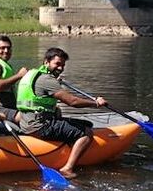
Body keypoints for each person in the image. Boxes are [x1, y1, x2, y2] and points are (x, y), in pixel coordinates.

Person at [16, 47, 107, 179]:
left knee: (82, 122)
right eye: (57, 64)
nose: (60, 68)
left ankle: (69, 148)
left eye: (63, 65)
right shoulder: (47, 80)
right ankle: (68, 168)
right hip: (40, 126)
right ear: (46, 62)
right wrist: (96, 103)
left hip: (26, 124)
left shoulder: (33, 74)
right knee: (86, 132)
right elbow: (73, 102)